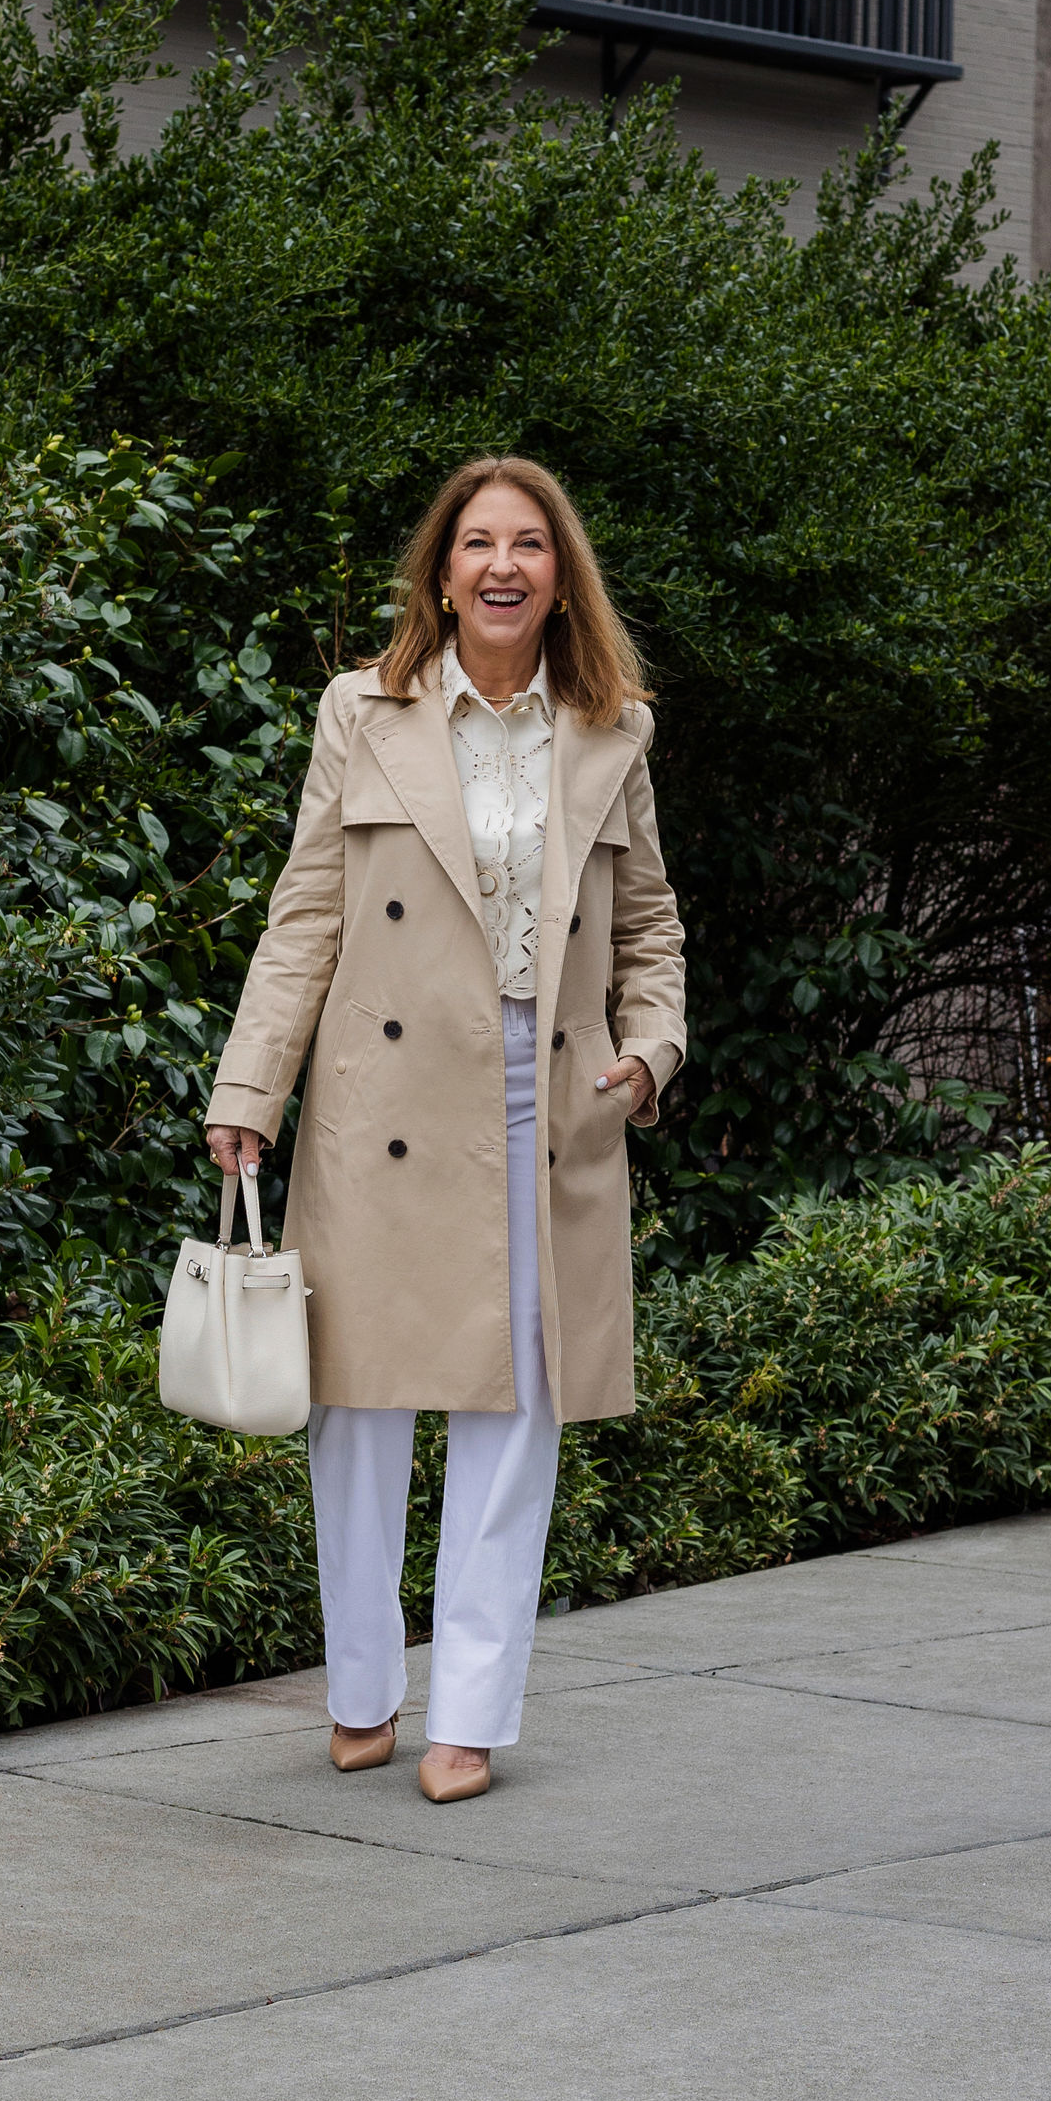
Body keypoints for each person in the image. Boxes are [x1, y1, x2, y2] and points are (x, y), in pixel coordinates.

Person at [204, 455, 687, 1801]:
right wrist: (249, 1090)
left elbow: (651, 929)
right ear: (443, 570)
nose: (502, 565)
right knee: (356, 1410)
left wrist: (648, 1054)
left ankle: (469, 1715)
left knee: (516, 1410)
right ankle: (362, 1688)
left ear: (560, 576)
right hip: (384, 1105)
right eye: (479, 542)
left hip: (549, 1104)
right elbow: (306, 914)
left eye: (529, 544)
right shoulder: (361, 710)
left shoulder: (613, 730)